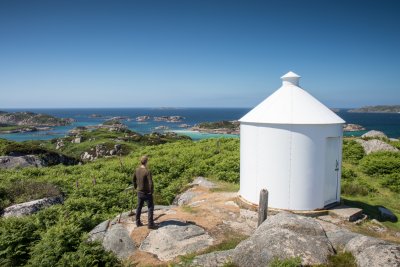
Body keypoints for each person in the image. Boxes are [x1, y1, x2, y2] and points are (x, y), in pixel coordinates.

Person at [133, 155, 156, 229]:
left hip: (139, 192)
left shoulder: (136, 170)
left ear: (141, 161)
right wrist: (151, 191)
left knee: (139, 207)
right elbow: (151, 183)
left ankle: (138, 222)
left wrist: (135, 187)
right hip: (146, 193)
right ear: (146, 162)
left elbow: (133, 179)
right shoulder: (147, 171)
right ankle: (150, 224)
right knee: (150, 207)